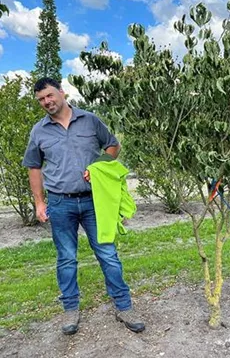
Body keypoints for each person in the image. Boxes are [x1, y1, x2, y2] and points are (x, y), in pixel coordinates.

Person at [23, 77, 145, 336]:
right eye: (41, 99)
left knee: (108, 254)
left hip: (94, 201)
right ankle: (70, 310)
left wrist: (98, 165)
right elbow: (34, 167)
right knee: (66, 258)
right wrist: (39, 202)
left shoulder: (89, 120)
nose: (46, 102)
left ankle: (124, 307)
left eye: (49, 96)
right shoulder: (39, 131)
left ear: (62, 93)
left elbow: (113, 145)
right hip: (59, 203)